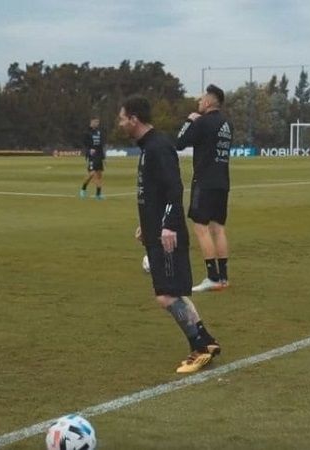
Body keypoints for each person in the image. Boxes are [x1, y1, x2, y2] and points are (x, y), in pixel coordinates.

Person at [118, 95, 221, 374]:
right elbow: (156, 193)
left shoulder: (158, 147)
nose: (120, 123)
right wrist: (148, 225)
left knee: (166, 296)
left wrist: (166, 226)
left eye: (122, 117)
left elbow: (174, 189)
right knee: (173, 292)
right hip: (158, 231)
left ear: (134, 119)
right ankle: (206, 342)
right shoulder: (149, 146)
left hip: (167, 235)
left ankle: (199, 349)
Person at [175, 84, 232, 293]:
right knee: (218, 228)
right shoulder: (227, 124)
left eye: (200, 100)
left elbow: (179, 143)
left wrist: (190, 120)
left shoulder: (203, 122)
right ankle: (224, 277)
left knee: (201, 227)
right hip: (223, 181)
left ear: (208, 102)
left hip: (205, 181)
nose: (198, 103)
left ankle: (212, 276)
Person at [79, 117, 106, 200]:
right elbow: (84, 144)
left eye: (98, 122)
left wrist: (104, 158)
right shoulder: (87, 132)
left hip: (99, 156)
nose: (97, 123)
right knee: (92, 174)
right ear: (91, 122)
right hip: (91, 156)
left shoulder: (99, 132)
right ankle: (84, 189)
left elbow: (101, 145)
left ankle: (97, 194)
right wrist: (89, 150)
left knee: (99, 175)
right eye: (95, 122)